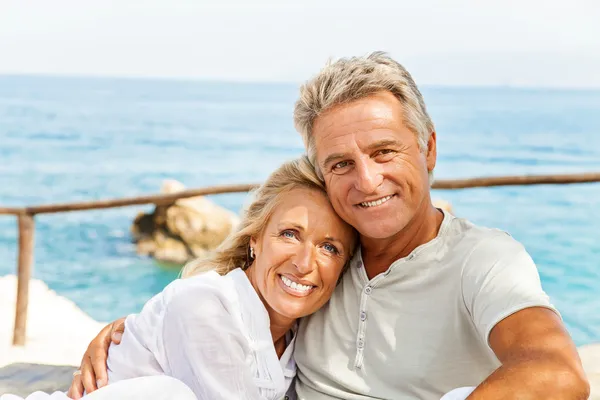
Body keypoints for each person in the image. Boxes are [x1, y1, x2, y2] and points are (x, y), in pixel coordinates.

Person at [70, 52, 590, 399]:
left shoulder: (483, 260)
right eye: (341, 164)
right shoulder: (324, 265)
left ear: (428, 149)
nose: (366, 180)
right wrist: (131, 338)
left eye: (385, 152)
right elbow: (229, 312)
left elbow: (559, 374)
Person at [2, 156, 358, 400]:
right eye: (290, 234)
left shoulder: (304, 340)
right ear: (255, 239)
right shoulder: (206, 306)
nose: (304, 262)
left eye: (329, 247)